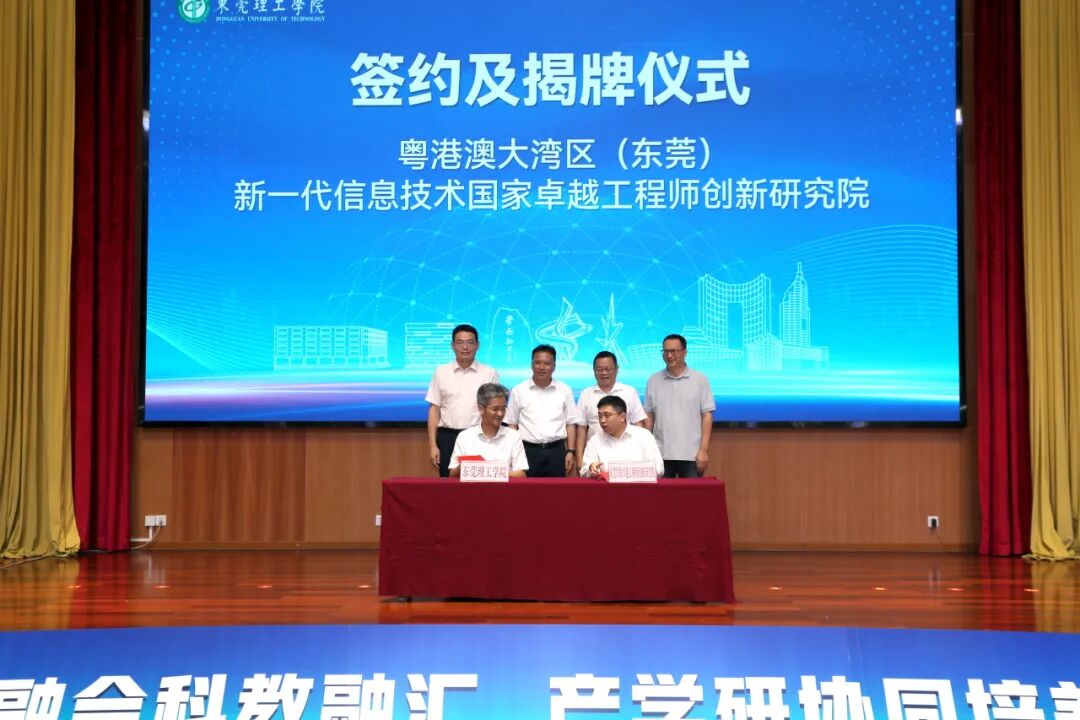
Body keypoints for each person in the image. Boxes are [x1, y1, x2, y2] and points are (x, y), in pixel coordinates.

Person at [425, 324, 499, 477]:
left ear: (477, 345)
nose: (465, 347)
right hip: (447, 437)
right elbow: (434, 409)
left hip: (478, 437)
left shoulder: (489, 373)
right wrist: (432, 445)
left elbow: (495, 410)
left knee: (479, 483)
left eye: (470, 342)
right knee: (448, 483)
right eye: (460, 342)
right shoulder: (441, 372)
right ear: (452, 346)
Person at [644, 333, 715, 478]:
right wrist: (646, 450)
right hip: (660, 454)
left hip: (692, 455)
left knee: (691, 493)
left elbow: (707, 416)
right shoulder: (653, 380)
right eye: (665, 351)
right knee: (661, 493)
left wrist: (703, 450)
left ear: (685, 352)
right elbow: (649, 416)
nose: (669, 355)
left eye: (673, 351)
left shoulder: (700, 379)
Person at [505, 344, 582, 477]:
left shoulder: (564, 389)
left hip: (557, 451)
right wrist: (512, 452)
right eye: (537, 362)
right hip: (527, 451)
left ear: (554, 367)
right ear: (531, 365)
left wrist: (570, 451)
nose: (541, 367)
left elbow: (570, 424)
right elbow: (512, 424)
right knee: (526, 489)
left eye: (547, 363)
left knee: (556, 489)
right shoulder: (519, 390)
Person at [574, 351, 646, 469]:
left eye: (608, 369)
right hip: (595, 454)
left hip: (627, 455)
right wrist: (579, 462)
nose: (604, 373)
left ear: (616, 369)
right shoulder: (586, 394)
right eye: (599, 369)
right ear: (594, 371)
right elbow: (581, 430)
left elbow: (639, 424)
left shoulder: (629, 392)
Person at [448, 383, 528, 478]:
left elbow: (521, 475)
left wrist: (489, 472)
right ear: (481, 409)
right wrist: (464, 467)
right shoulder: (465, 437)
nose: (500, 414)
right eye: (495, 409)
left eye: (503, 409)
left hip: (503, 488)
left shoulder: (513, 436)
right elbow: (452, 475)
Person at [580, 395, 664, 479]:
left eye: (607, 415)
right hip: (606, 487)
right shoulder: (595, 440)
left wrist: (628, 474)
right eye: (600, 416)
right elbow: (583, 471)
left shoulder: (644, 436)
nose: (602, 420)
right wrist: (591, 469)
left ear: (622, 417)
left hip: (638, 486)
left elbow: (658, 469)